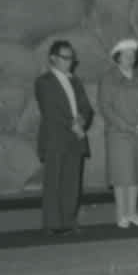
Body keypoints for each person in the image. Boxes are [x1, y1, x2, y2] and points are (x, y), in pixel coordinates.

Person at [34, 39, 94, 236]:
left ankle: (69, 220)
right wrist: (73, 125)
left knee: (72, 181)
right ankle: (52, 224)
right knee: (54, 181)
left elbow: (86, 107)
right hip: (55, 138)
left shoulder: (75, 81)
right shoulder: (44, 82)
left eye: (71, 58)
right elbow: (51, 110)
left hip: (75, 137)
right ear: (53, 58)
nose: (70, 61)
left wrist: (82, 120)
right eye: (65, 57)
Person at [99, 37, 138, 228]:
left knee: (137, 173)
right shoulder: (108, 79)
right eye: (126, 55)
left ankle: (132, 212)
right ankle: (121, 214)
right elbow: (106, 108)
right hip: (119, 133)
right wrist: (127, 127)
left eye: (133, 55)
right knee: (122, 174)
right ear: (117, 57)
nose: (131, 58)